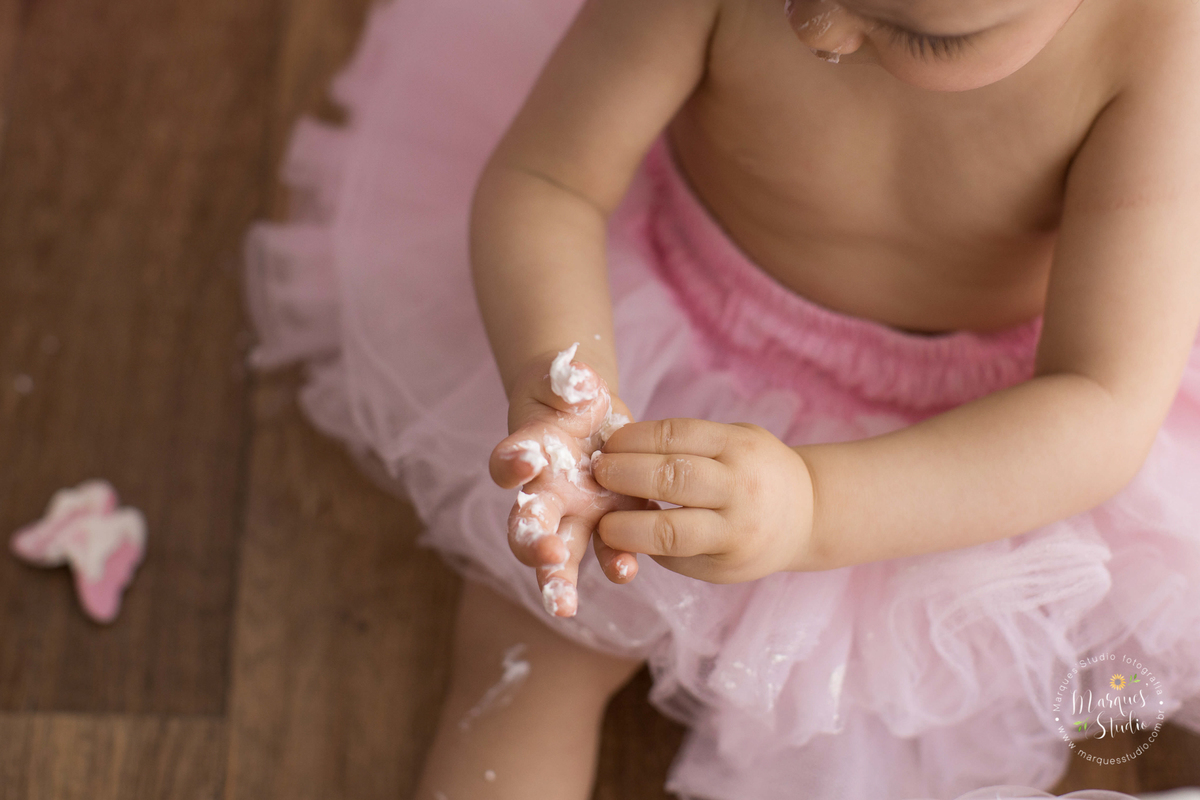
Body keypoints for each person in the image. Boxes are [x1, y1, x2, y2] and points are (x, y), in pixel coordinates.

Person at [243, 0, 1200, 797]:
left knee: (880, 741)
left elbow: (1100, 401)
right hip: (676, 316)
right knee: (528, 647)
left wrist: (817, 509)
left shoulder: (1159, 44)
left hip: (969, 447)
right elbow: (548, 180)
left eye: (923, 35)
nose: (820, 32)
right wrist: (567, 389)